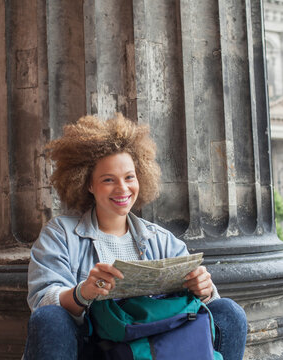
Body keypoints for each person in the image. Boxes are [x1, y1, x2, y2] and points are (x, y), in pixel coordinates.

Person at [24, 114, 247, 360]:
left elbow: (206, 303)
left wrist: (203, 289)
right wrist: (84, 292)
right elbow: (42, 302)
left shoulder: (161, 239)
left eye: (129, 177)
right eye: (108, 180)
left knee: (229, 311)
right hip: (92, 347)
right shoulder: (60, 234)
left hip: (154, 343)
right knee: (50, 317)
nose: (122, 189)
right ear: (88, 184)